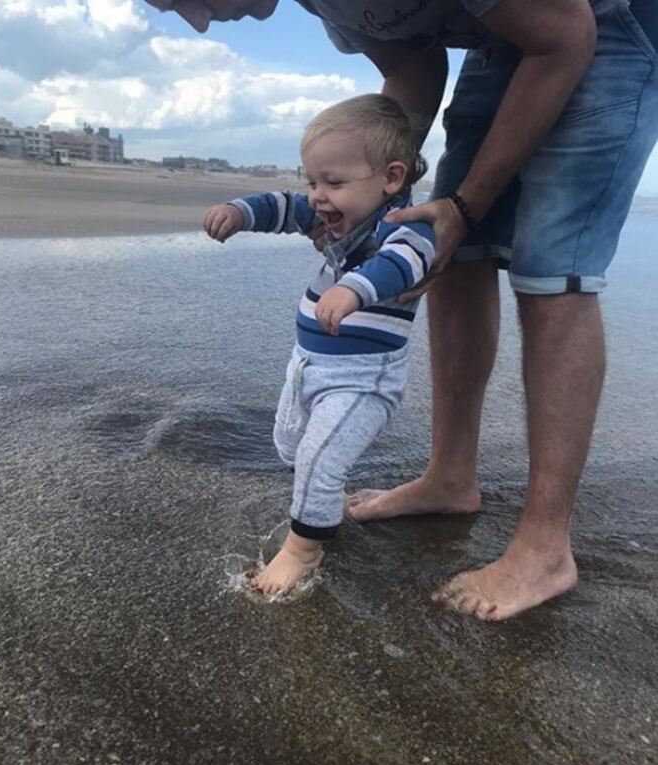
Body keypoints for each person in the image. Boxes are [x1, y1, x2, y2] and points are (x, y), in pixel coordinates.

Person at [148, 0, 658, 619]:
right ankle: (450, 477)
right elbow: (413, 70)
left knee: (553, 269)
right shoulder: (329, 11)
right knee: (457, 250)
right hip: (503, 39)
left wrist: (407, 238)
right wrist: (367, 195)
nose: (195, 22)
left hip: (598, 22)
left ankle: (546, 547)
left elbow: (566, 34)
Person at [203, 94, 434, 594]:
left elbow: (405, 265)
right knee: (290, 445)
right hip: (307, 365)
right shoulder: (333, 217)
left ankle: (303, 549)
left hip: (363, 378)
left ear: (390, 179)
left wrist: (354, 288)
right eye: (313, 181)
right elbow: (282, 206)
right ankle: (321, 497)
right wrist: (239, 213)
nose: (318, 196)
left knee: (316, 458)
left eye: (334, 183)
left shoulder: (405, 227)